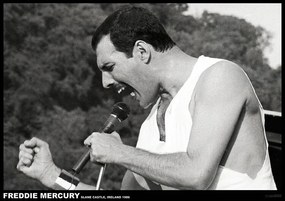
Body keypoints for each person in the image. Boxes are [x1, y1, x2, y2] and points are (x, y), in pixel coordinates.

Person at [17, 5, 277, 190]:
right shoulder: (150, 126)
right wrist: (51, 175)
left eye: (109, 67)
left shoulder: (219, 76)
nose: (106, 83)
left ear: (141, 51)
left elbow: (196, 174)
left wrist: (121, 153)